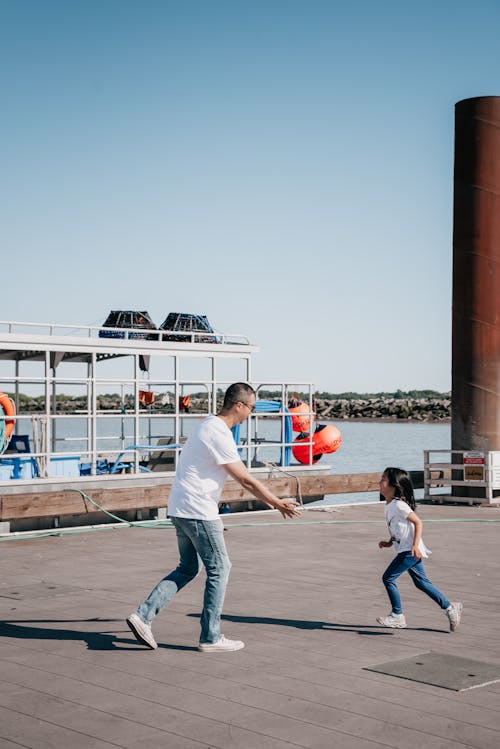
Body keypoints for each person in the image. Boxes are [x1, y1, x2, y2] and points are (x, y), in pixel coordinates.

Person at [126, 382, 301, 652]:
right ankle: (211, 637)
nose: (251, 413)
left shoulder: (207, 423)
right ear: (239, 405)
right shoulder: (219, 433)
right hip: (198, 511)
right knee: (220, 568)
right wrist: (277, 503)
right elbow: (245, 479)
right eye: (251, 407)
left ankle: (143, 616)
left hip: (180, 507)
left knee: (187, 568)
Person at [377, 466, 463, 631]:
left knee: (388, 578)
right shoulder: (389, 505)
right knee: (421, 583)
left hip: (410, 550)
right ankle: (450, 608)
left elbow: (418, 523)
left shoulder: (399, 505)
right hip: (407, 548)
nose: (380, 482)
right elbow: (399, 528)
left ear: (394, 486)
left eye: (383, 479)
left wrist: (415, 545)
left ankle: (397, 616)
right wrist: (389, 542)